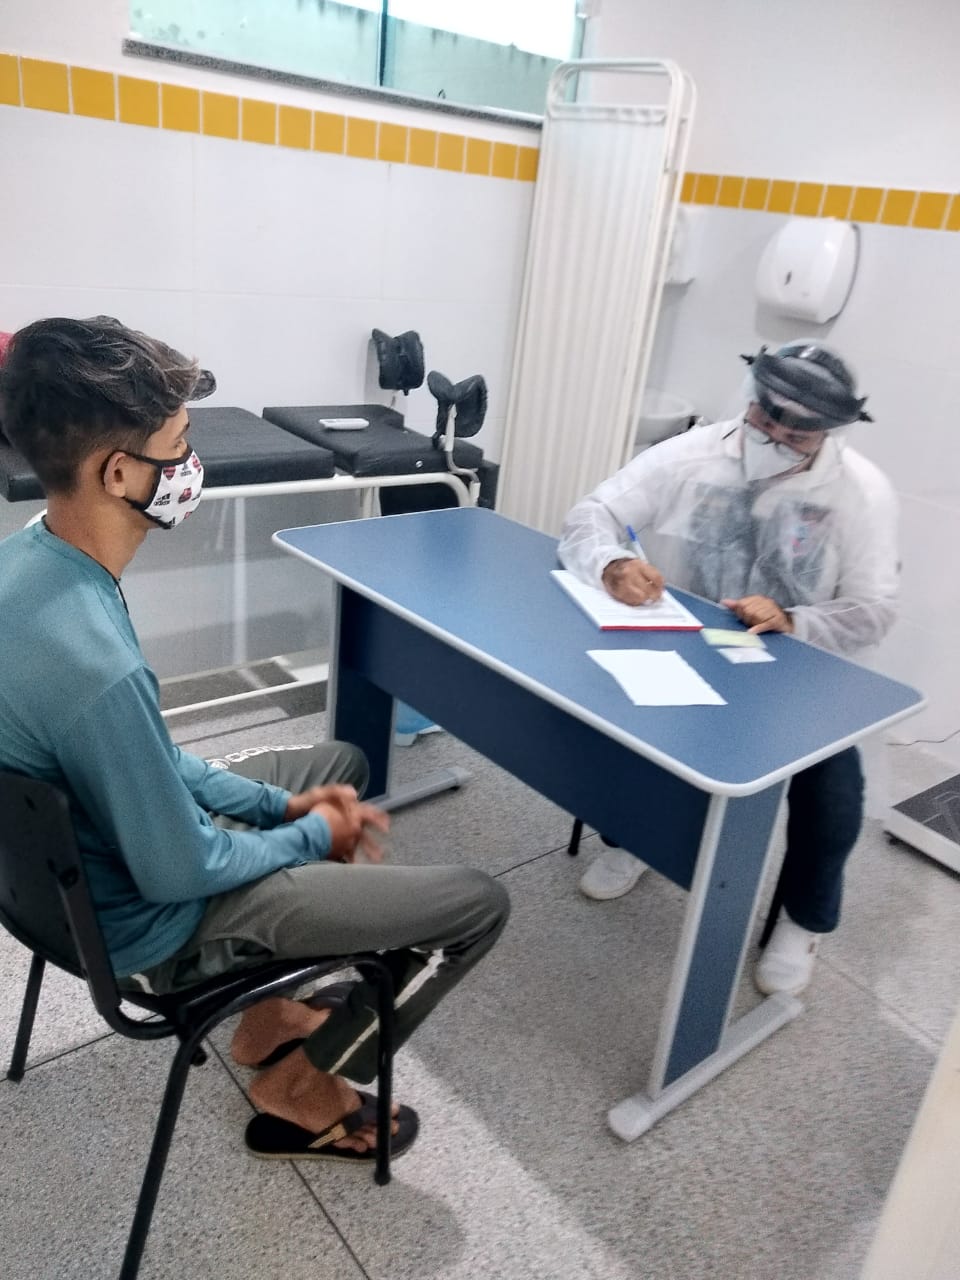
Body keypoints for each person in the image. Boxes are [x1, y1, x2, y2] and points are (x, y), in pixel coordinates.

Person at [0, 316, 509, 1162]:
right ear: (118, 472)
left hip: (57, 886)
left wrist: (280, 806)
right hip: (157, 926)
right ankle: (300, 1086)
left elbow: (149, 757)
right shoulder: (95, 668)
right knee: (477, 905)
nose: (190, 464)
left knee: (339, 762)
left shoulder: (28, 559)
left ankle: (266, 1018)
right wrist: (313, 834)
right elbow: (181, 869)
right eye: (178, 445)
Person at [558, 341, 898, 997]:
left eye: (796, 435)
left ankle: (803, 921)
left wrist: (795, 618)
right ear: (751, 400)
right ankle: (635, 842)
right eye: (765, 420)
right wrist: (611, 563)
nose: (773, 439)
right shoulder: (692, 455)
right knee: (636, 748)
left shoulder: (861, 493)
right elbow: (593, 513)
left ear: (829, 432)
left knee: (833, 797)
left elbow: (875, 610)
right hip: (688, 649)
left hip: (802, 674)